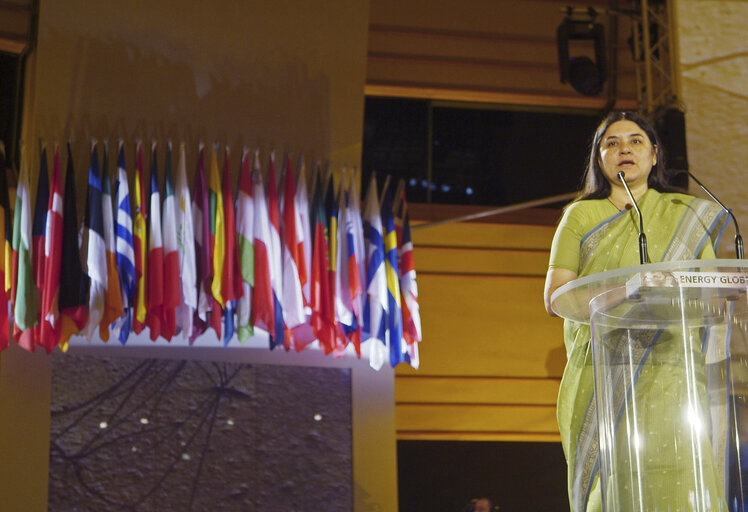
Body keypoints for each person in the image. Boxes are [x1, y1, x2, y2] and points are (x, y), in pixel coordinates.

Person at [544, 111, 730, 511]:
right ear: (599, 159)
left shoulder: (686, 215)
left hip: (674, 375)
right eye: (611, 143)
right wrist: (628, 292)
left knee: (682, 479)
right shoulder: (580, 216)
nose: (623, 148)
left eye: (635, 141)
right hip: (604, 373)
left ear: (654, 154)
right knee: (616, 485)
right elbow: (556, 295)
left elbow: (713, 295)